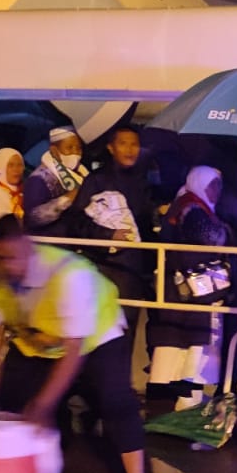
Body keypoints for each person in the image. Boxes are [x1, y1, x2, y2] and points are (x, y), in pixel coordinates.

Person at [0, 216, 162, 473]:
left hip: (96, 337)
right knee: (9, 403)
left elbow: (73, 352)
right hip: (38, 340)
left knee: (117, 403)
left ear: (29, 248)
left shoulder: (69, 275)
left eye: (15, 257)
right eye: (2, 258)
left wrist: (43, 404)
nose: (9, 266)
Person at [147, 166, 237, 409]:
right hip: (192, 293)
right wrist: (228, 230)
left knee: (181, 347)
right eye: (212, 185)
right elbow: (212, 238)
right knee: (193, 348)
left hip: (184, 292)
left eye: (218, 185)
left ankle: (180, 404)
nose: (217, 191)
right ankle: (188, 405)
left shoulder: (187, 205)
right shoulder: (191, 208)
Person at [70, 125, 157, 338]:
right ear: (110, 148)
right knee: (101, 331)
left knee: (127, 330)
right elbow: (76, 221)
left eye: (134, 144)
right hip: (105, 266)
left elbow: (145, 225)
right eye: (123, 143)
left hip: (134, 270)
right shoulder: (97, 180)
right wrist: (109, 235)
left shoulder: (143, 181)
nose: (129, 149)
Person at [23, 125, 87, 239]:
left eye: (78, 148)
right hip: (48, 243)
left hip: (75, 240)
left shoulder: (82, 173)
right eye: (69, 147)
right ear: (54, 151)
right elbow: (33, 218)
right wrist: (66, 199)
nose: (76, 153)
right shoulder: (39, 178)